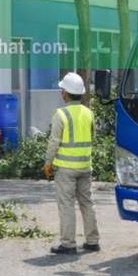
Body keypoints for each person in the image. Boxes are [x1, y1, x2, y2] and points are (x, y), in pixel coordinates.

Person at [43, 72, 100, 255]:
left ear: (65, 93)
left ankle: (68, 244)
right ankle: (92, 241)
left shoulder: (61, 114)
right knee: (87, 203)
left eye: (62, 90)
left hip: (66, 169)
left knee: (66, 205)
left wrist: (48, 163)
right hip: (85, 166)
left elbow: (54, 142)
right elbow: (92, 137)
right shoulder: (89, 113)